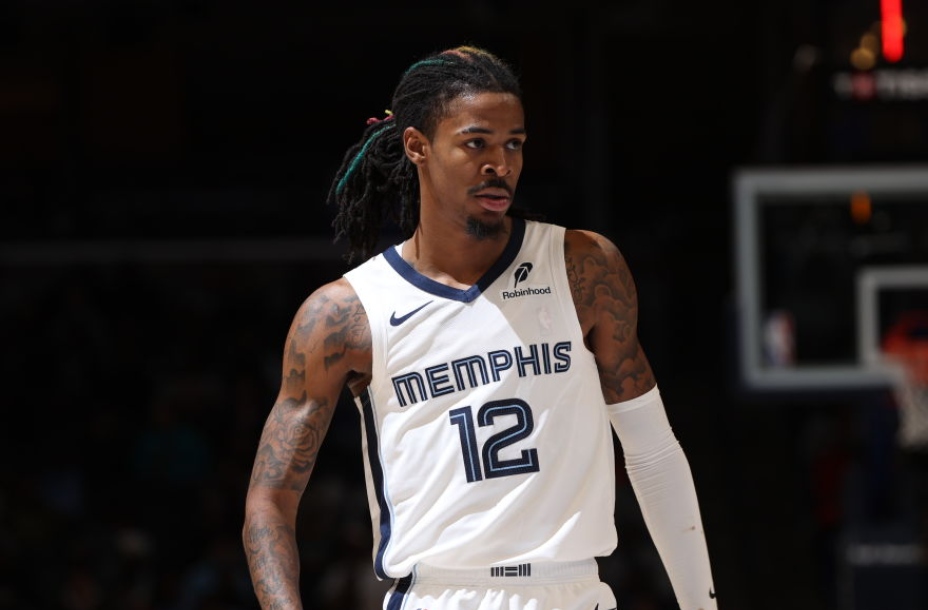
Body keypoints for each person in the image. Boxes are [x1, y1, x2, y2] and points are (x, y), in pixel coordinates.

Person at [242, 45, 718, 610]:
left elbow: (653, 451)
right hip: (438, 594)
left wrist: (701, 604)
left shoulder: (582, 266)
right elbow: (269, 499)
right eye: (477, 144)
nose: (502, 164)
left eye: (513, 143)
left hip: (573, 588)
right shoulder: (345, 314)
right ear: (417, 145)